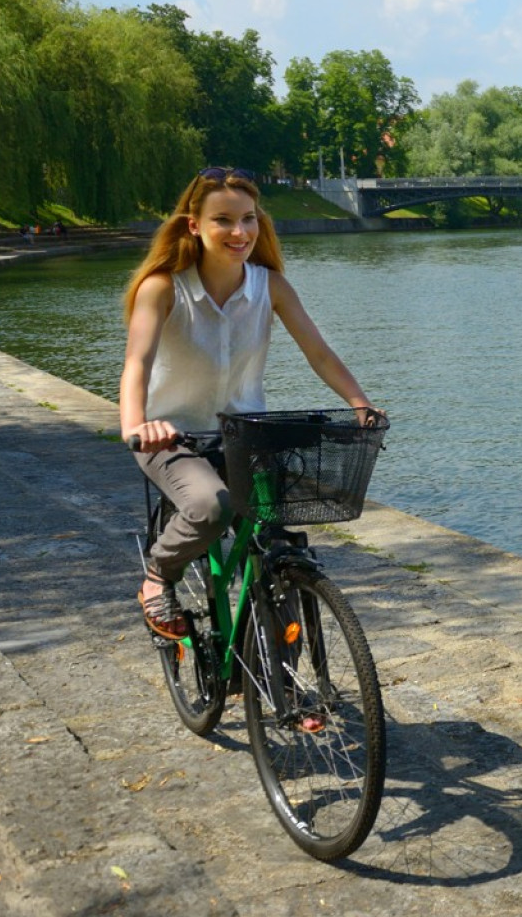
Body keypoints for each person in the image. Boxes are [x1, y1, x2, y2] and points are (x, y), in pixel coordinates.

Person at [120, 166, 378, 640]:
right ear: (194, 224)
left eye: (248, 219)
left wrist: (361, 403)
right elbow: (137, 361)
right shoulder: (163, 287)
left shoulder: (270, 286)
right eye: (223, 220)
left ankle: (290, 691)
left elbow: (318, 352)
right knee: (211, 506)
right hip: (171, 437)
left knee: (282, 549)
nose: (239, 232)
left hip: (245, 435)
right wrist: (137, 424)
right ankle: (158, 576)